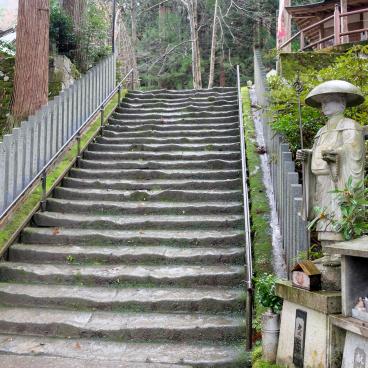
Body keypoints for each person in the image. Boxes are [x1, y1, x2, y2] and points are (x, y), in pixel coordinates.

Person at [296, 80, 365, 243]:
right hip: (322, 181)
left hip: (338, 180)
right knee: (324, 217)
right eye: (322, 102)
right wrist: (307, 155)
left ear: (342, 102)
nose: (324, 105)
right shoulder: (321, 131)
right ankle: (327, 249)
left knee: (340, 213)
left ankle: (340, 250)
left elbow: (354, 150)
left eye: (329, 101)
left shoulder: (350, 125)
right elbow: (317, 152)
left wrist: (337, 153)